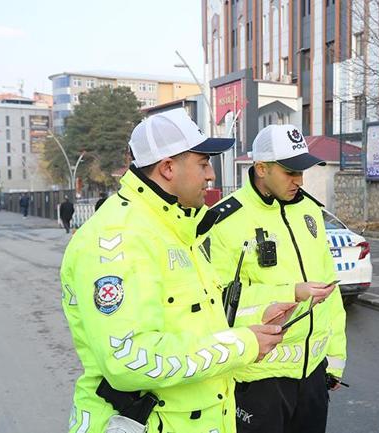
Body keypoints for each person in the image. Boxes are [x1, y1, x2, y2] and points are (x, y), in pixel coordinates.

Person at [60, 108, 291, 433]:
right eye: (203, 163)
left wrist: (253, 321)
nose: (211, 175)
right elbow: (129, 358)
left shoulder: (175, 227)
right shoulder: (118, 238)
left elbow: (189, 320)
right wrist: (242, 345)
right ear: (168, 167)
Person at [208, 124, 346, 433]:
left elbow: (330, 288)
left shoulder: (310, 210)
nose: (299, 180)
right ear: (261, 168)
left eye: (302, 171)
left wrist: (335, 359)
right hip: (259, 381)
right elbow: (215, 303)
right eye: (289, 172)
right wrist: (290, 292)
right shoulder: (224, 221)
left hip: (313, 376)